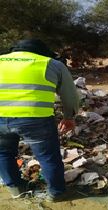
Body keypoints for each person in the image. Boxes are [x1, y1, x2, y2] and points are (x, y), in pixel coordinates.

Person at [0, 39, 79, 202]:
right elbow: (69, 95)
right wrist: (69, 117)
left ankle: (16, 188)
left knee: (3, 153)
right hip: (35, 119)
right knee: (48, 157)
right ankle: (57, 192)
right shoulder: (51, 64)